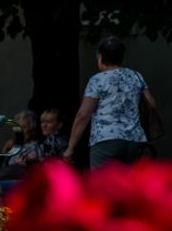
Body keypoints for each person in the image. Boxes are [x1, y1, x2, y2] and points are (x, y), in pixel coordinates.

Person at [62, 36, 158, 168]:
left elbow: (83, 116)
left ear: (100, 56)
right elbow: (151, 104)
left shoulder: (97, 80)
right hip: (134, 141)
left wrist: (70, 148)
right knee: (127, 184)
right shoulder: (136, 76)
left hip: (105, 140)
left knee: (102, 185)